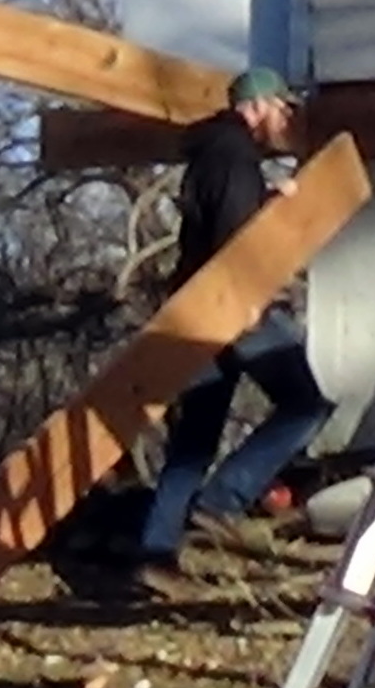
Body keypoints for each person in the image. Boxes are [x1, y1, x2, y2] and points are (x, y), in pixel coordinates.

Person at [131, 66, 335, 569]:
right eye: (281, 109)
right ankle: (223, 500)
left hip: (195, 308)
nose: (284, 120)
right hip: (234, 302)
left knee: (194, 440)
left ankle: (155, 552)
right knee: (305, 405)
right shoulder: (234, 154)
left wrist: (269, 199)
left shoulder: (215, 153)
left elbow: (224, 218)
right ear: (258, 106)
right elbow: (233, 235)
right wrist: (251, 304)